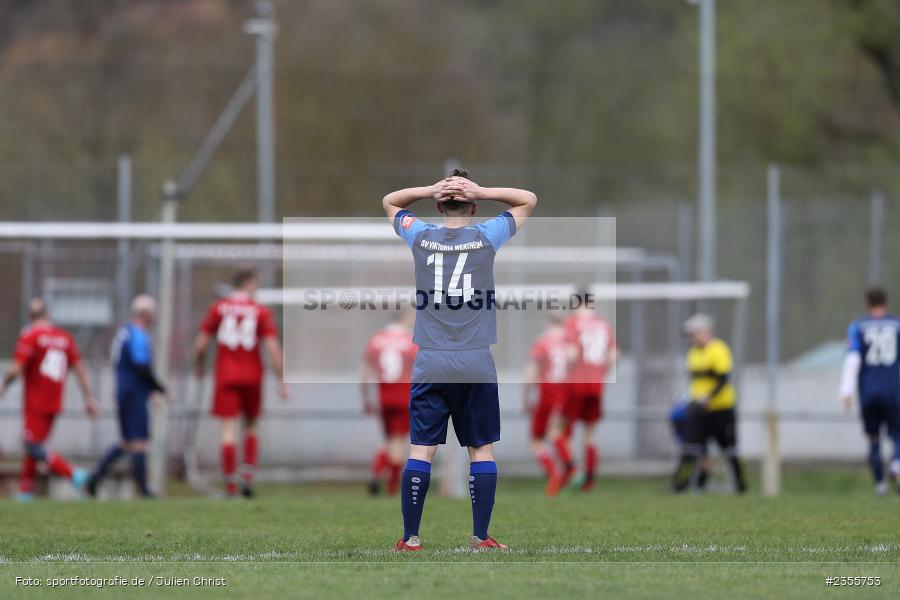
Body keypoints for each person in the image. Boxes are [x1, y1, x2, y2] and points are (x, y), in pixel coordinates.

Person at [383, 168, 537, 551]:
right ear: (473, 207)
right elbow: (527, 199)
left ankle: (411, 538)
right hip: (475, 361)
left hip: (430, 360)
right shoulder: (485, 237)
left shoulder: (421, 236)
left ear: (438, 204)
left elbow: (389, 201)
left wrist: (428, 187)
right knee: (480, 449)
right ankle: (481, 537)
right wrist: (483, 190)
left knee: (421, 450)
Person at [193, 268, 288, 498]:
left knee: (228, 429)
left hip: (225, 375)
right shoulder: (260, 311)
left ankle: (231, 483)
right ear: (248, 283)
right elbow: (273, 349)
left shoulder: (218, 308)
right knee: (251, 425)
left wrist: (199, 365)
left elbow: (201, 346)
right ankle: (247, 475)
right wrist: (282, 380)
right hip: (252, 375)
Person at [0, 298, 97, 500]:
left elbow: (17, 369)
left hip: (36, 402)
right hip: (54, 402)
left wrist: (3, 385)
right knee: (33, 444)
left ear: (30, 317)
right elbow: (80, 370)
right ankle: (25, 492)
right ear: (48, 315)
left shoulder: (30, 335)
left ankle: (76, 475)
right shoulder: (65, 337)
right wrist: (89, 398)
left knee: (32, 447)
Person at [88, 295, 166, 498]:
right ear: (146, 314)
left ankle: (94, 477)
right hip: (133, 394)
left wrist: (150, 391)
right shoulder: (137, 334)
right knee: (139, 442)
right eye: (153, 311)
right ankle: (144, 491)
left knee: (126, 441)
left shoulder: (123, 332)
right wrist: (159, 388)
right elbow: (141, 366)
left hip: (125, 392)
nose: (155, 315)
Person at [672, 313, 747, 494]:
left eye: (693, 334)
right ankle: (681, 486)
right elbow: (697, 383)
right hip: (699, 410)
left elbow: (723, 380)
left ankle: (740, 486)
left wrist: (709, 397)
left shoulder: (719, 350)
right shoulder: (693, 353)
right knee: (692, 448)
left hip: (721, 409)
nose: (691, 338)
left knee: (730, 450)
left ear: (705, 332)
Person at [839, 287, 900, 495]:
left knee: (873, 439)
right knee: (897, 435)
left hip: (869, 393)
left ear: (867, 302)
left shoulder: (858, 326)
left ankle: (880, 485)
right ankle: (896, 466)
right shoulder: (897, 325)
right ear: (886, 302)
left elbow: (853, 358)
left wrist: (846, 390)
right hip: (893, 391)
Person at [552, 300, 617, 492]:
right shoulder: (604, 324)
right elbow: (614, 355)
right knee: (590, 433)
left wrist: (566, 375)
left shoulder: (572, 322)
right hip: (596, 385)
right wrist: (600, 374)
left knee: (558, 431)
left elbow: (571, 355)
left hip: (575, 384)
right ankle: (589, 481)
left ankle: (573, 470)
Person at [361, 309, 418, 496]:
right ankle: (392, 491)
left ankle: (377, 473)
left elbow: (364, 372)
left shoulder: (376, 339)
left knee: (388, 439)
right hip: (404, 397)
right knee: (399, 444)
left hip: (384, 397)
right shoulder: (411, 341)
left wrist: (366, 398)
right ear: (404, 318)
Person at [523, 313, 569, 495]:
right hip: (568, 393)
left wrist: (526, 394)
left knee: (536, 440)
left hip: (548, 392)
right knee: (559, 435)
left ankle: (555, 474)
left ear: (548, 323)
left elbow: (531, 370)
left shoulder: (543, 341)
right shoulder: (570, 340)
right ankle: (570, 471)